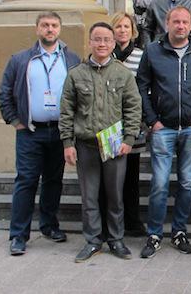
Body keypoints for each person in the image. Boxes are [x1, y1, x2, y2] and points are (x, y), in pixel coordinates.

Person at [136, 6, 191, 259]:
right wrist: (152, 121)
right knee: (160, 184)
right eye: (176, 21)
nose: (181, 26)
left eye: (185, 22)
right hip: (163, 128)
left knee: (186, 183)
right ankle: (154, 234)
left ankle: (179, 231)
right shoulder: (153, 51)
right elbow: (141, 87)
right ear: (167, 23)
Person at [0, 12, 81, 256]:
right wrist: (15, 121)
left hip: (60, 131)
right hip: (30, 132)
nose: (50, 29)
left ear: (60, 29)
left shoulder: (71, 59)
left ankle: (49, 226)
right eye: (45, 25)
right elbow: (4, 92)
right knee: (26, 181)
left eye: (54, 25)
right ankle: (18, 235)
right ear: (37, 29)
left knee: (53, 181)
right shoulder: (21, 60)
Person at [59, 22, 142, 262]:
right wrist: (67, 143)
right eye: (97, 39)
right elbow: (67, 110)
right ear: (90, 42)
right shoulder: (76, 74)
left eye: (107, 39)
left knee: (115, 196)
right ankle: (93, 240)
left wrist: (129, 138)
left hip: (114, 144)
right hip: (86, 145)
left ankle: (116, 239)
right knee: (89, 197)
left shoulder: (123, 74)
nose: (102, 44)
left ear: (113, 43)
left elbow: (133, 108)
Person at [99, 12, 147, 237]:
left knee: (131, 176)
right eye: (118, 26)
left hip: (132, 124)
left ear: (133, 30)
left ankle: (132, 220)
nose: (122, 30)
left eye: (126, 26)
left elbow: (145, 88)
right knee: (107, 177)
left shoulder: (141, 56)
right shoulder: (103, 55)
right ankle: (106, 223)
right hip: (108, 125)